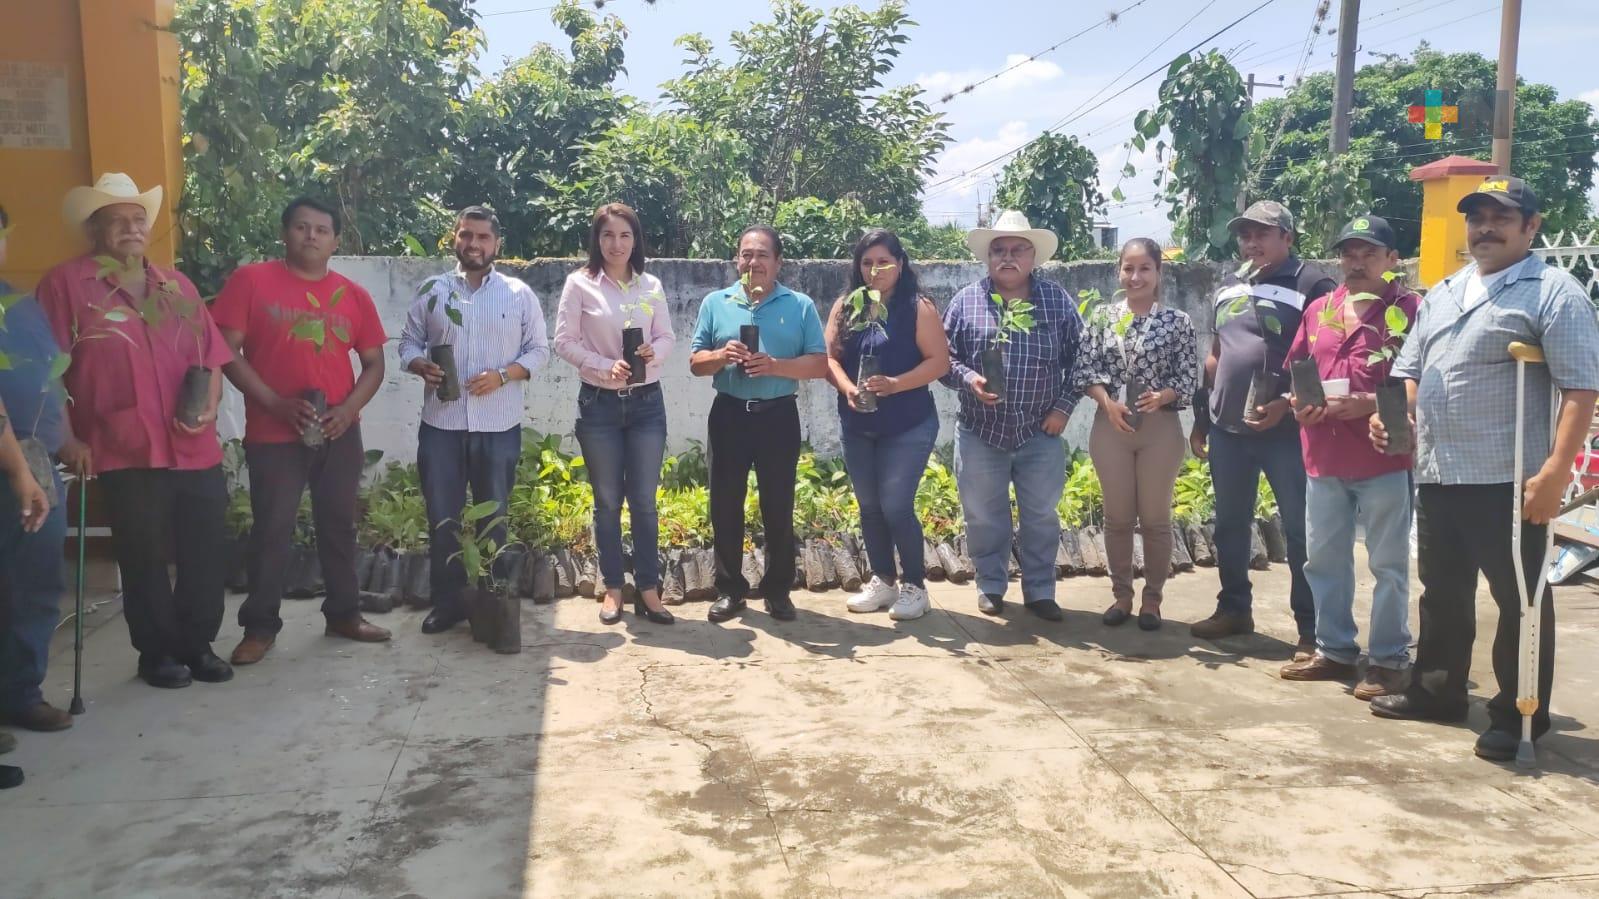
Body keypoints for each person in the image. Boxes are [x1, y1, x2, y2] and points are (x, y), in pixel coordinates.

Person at [1369, 177, 1599, 761]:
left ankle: (1518, 714)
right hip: (1440, 469)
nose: (1485, 229)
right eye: (1477, 218)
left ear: (1531, 225)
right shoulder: (1444, 291)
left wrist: (1554, 473)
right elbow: (1411, 370)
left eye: (1502, 217)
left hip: (1509, 477)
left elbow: (1580, 388)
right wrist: (1398, 417)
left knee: (1519, 598)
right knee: (1442, 591)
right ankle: (1437, 692)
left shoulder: (1553, 292)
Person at [36, 173, 235, 689]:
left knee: (204, 550)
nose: (130, 228)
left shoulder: (177, 285)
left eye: (137, 219)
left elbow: (211, 358)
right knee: (142, 556)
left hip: (193, 445)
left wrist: (209, 407)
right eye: (116, 220)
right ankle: (157, 653)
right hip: (122, 444)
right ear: (95, 230)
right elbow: (48, 371)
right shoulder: (65, 285)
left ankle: (198, 643)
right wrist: (66, 439)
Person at [213, 197, 392, 665]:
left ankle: (344, 614)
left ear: (335, 240)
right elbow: (226, 350)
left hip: (337, 427)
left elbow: (374, 363)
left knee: (339, 524)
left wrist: (349, 409)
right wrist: (273, 402)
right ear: (285, 233)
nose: (311, 236)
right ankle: (260, 626)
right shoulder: (252, 282)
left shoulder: (352, 296)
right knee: (272, 527)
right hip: (274, 430)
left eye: (321, 229)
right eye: (301, 227)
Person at [1280, 215, 1420, 699]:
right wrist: (1302, 404)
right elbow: (1299, 368)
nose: (1356, 263)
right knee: (1323, 559)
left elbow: (1418, 380)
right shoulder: (1321, 308)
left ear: (1391, 259)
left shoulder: (1408, 310)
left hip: (1382, 456)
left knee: (1388, 563)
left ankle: (1387, 659)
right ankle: (1335, 649)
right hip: (1323, 453)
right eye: (1349, 253)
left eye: (1369, 253)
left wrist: (1367, 404)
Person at [1189, 200, 1335, 655]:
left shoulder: (1313, 283)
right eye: (1245, 234)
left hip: (1285, 434)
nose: (1252, 242)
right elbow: (1216, 355)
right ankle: (1234, 608)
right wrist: (1201, 418)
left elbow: (1326, 358)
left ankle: (1312, 631)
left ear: (1287, 238)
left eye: (1263, 233)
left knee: (1299, 530)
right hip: (1229, 430)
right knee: (1230, 524)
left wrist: (1287, 405)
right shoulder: (1229, 287)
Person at [399, 206, 549, 635]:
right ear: (455, 238)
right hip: (442, 425)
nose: (474, 244)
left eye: (483, 237)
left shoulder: (519, 294)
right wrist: (418, 365)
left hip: (498, 425)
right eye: (467, 235)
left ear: (496, 244)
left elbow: (539, 350)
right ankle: (447, 604)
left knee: (494, 519)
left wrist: (504, 375)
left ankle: (493, 601)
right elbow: (408, 342)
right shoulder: (432, 291)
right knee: (442, 518)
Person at [940, 210, 1082, 621]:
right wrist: (969, 380)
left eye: (1017, 249)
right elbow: (943, 359)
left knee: (1041, 514)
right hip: (981, 430)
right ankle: (990, 584)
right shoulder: (966, 301)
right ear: (987, 258)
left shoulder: (1056, 301)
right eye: (998, 250)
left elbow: (1082, 359)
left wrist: (1063, 407)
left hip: (1041, 429)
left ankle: (1040, 590)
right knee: (984, 515)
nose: (1007, 257)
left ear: (1033, 256)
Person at [689, 225, 827, 623]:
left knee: (779, 504)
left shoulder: (799, 305)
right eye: (746, 254)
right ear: (737, 260)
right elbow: (696, 363)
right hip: (730, 413)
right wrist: (720, 355)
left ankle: (778, 589)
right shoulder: (717, 302)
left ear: (778, 262)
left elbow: (819, 363)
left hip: (779, 415)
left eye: (762, 255)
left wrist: (775, 366)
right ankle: (731, 589)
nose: (754, 262)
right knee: (725, 504)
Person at [554, 204, 676, 626]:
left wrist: (652, 354)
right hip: (600, 405)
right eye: (608, 235)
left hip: (646, 404)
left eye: (625, 235)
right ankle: (612, 587)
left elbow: (666, 336)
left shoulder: (651, 285)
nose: (617, 244)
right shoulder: (580, 284)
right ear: (597, 239)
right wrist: (603, 365)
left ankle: (647, 587)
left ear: (636, 239)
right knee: (607, 502)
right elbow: (564, 342)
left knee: (643, 501)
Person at [1072, 237, 1198, 631]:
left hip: (1159, 428)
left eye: (1145, 268)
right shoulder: (1102, 318)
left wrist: (1165, 395)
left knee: (1156, 518)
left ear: (1159, 272)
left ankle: (1153, 600)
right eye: (1128, 268)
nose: (1135, 276)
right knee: (1118, 517)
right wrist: (1106, 402)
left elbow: (1190, 377)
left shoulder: (1177, 322)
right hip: (1111, 426)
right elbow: (1084, 370)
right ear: (1118, 271)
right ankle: (1122, 596)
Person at [824, 229, 949, 621]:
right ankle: (883, 580)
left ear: (901, 263)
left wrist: (895, 384)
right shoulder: (847, 306)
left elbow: (938, 362)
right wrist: (846, 387)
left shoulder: (917, 307)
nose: (874, 270)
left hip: (908, 423)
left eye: (882, 262)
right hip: (858, 422)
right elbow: (827, 358)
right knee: (870, 506)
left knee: (896, 504)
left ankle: (915, 585)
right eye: (866, 262)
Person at [0, 200, 73, 749]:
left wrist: (64, 439)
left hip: (38, 463)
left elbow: (53, 379)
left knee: (36, 580)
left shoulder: (21, 308)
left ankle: (22, 692)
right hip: (15, 465)